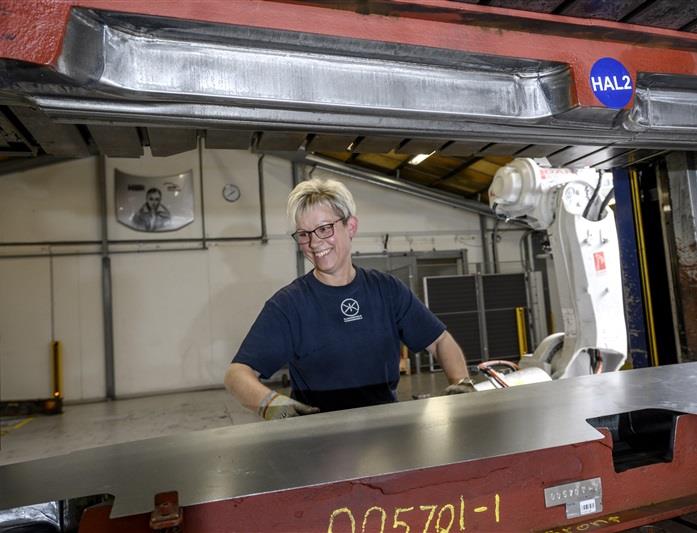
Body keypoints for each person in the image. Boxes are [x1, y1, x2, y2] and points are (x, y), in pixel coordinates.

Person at [224, 178, 475, 421]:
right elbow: (237, 374)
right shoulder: (289, 305)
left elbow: (440, 341)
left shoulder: (387, 290)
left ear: (351, 226)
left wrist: (462, 383)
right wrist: (273, 406)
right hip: (317, 435)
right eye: (304, 234)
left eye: (324, 229)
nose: (314, 242)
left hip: (386, 429)